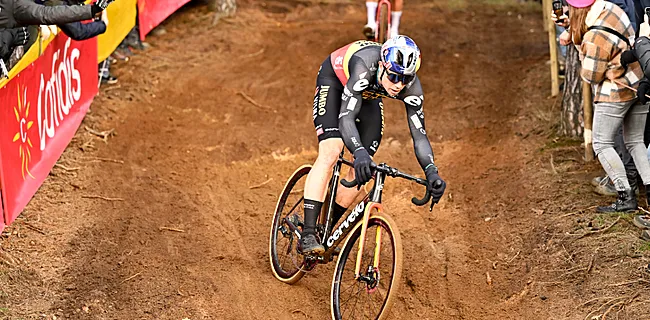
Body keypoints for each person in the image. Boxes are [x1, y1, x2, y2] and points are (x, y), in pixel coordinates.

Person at [300, 36, 447, 253]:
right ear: (382, 66)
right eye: (394, 77)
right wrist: (357, 151)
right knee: (332, 151)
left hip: (368, 94)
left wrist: (432, 171)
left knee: (364, 169)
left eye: (405, 79)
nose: (399, 85)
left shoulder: (410, 87)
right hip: (335, 82)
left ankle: (326, 231)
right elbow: (346, 118)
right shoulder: (363, 65)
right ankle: (308, 232)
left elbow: (420, 136)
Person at [565, 0, 650, 213]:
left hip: (615, 93)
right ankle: (649, 190)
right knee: (636, 141)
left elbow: (590, 75)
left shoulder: (594, 37)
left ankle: (625, 195)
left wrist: (578, 44)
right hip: (639, 83)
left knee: (601, 143)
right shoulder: (612, 10)